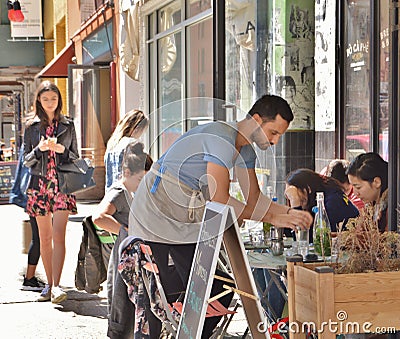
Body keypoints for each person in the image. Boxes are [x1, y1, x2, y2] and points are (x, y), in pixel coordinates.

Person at [129, 94, 313, 338]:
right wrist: (273, 218)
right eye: (273, 132)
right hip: (154, 210)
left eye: (279, 135)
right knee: (156, 289)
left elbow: (255, 200)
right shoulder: (221, 138)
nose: (275, 141)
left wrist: (290, 214)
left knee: (219, 285)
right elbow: (220, 199)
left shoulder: (245, 150)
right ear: (256, 119)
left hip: (186, 216)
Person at [23, 80, 79, 304]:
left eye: (53, 99)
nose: (49, 103)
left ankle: (56, 285)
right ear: (39, 100)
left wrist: (62, 149)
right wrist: (40, 149)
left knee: (59, 236)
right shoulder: (31, 127)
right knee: (44, 238)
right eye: (45, 99)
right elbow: (26, 161)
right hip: (39, 187)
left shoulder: (69, 125)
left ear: (59, 100)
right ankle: (48, 284)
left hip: (63, 186)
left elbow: (76, 157)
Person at [93, 142, 153, 338]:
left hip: (131, 262)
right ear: (126, 172)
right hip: (121, 262)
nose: (142, 183)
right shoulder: (119, 191)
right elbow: (99, 217)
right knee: (121, 314)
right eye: (139, 179)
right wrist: (126, 231)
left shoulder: (133, 191)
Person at [10, 144, 45, 291]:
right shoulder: (35, 134)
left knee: (39, 238)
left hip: (33, 192)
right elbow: (27, 162)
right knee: (40, 238)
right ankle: (29, 279)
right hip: (38, 191)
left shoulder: (31, 136)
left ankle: (30, 277)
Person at [285, 168, 359, 234]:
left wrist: (295, 201)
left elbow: (306, 238)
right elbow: (289, 232)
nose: (291, 198)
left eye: (294, 193)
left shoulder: (333, 201)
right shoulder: (317, 199)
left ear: (307, 189)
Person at [105, 109, 149, 190]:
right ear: (137, 129)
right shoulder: (132, 144)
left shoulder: (112, 144)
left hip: (112, 193)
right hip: (126, 193)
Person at [346, 152, 388, 232]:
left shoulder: (392, 208)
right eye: (352, 186)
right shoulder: (371, 206)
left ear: (376, 182)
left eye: (358, 187)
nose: (355, 193)